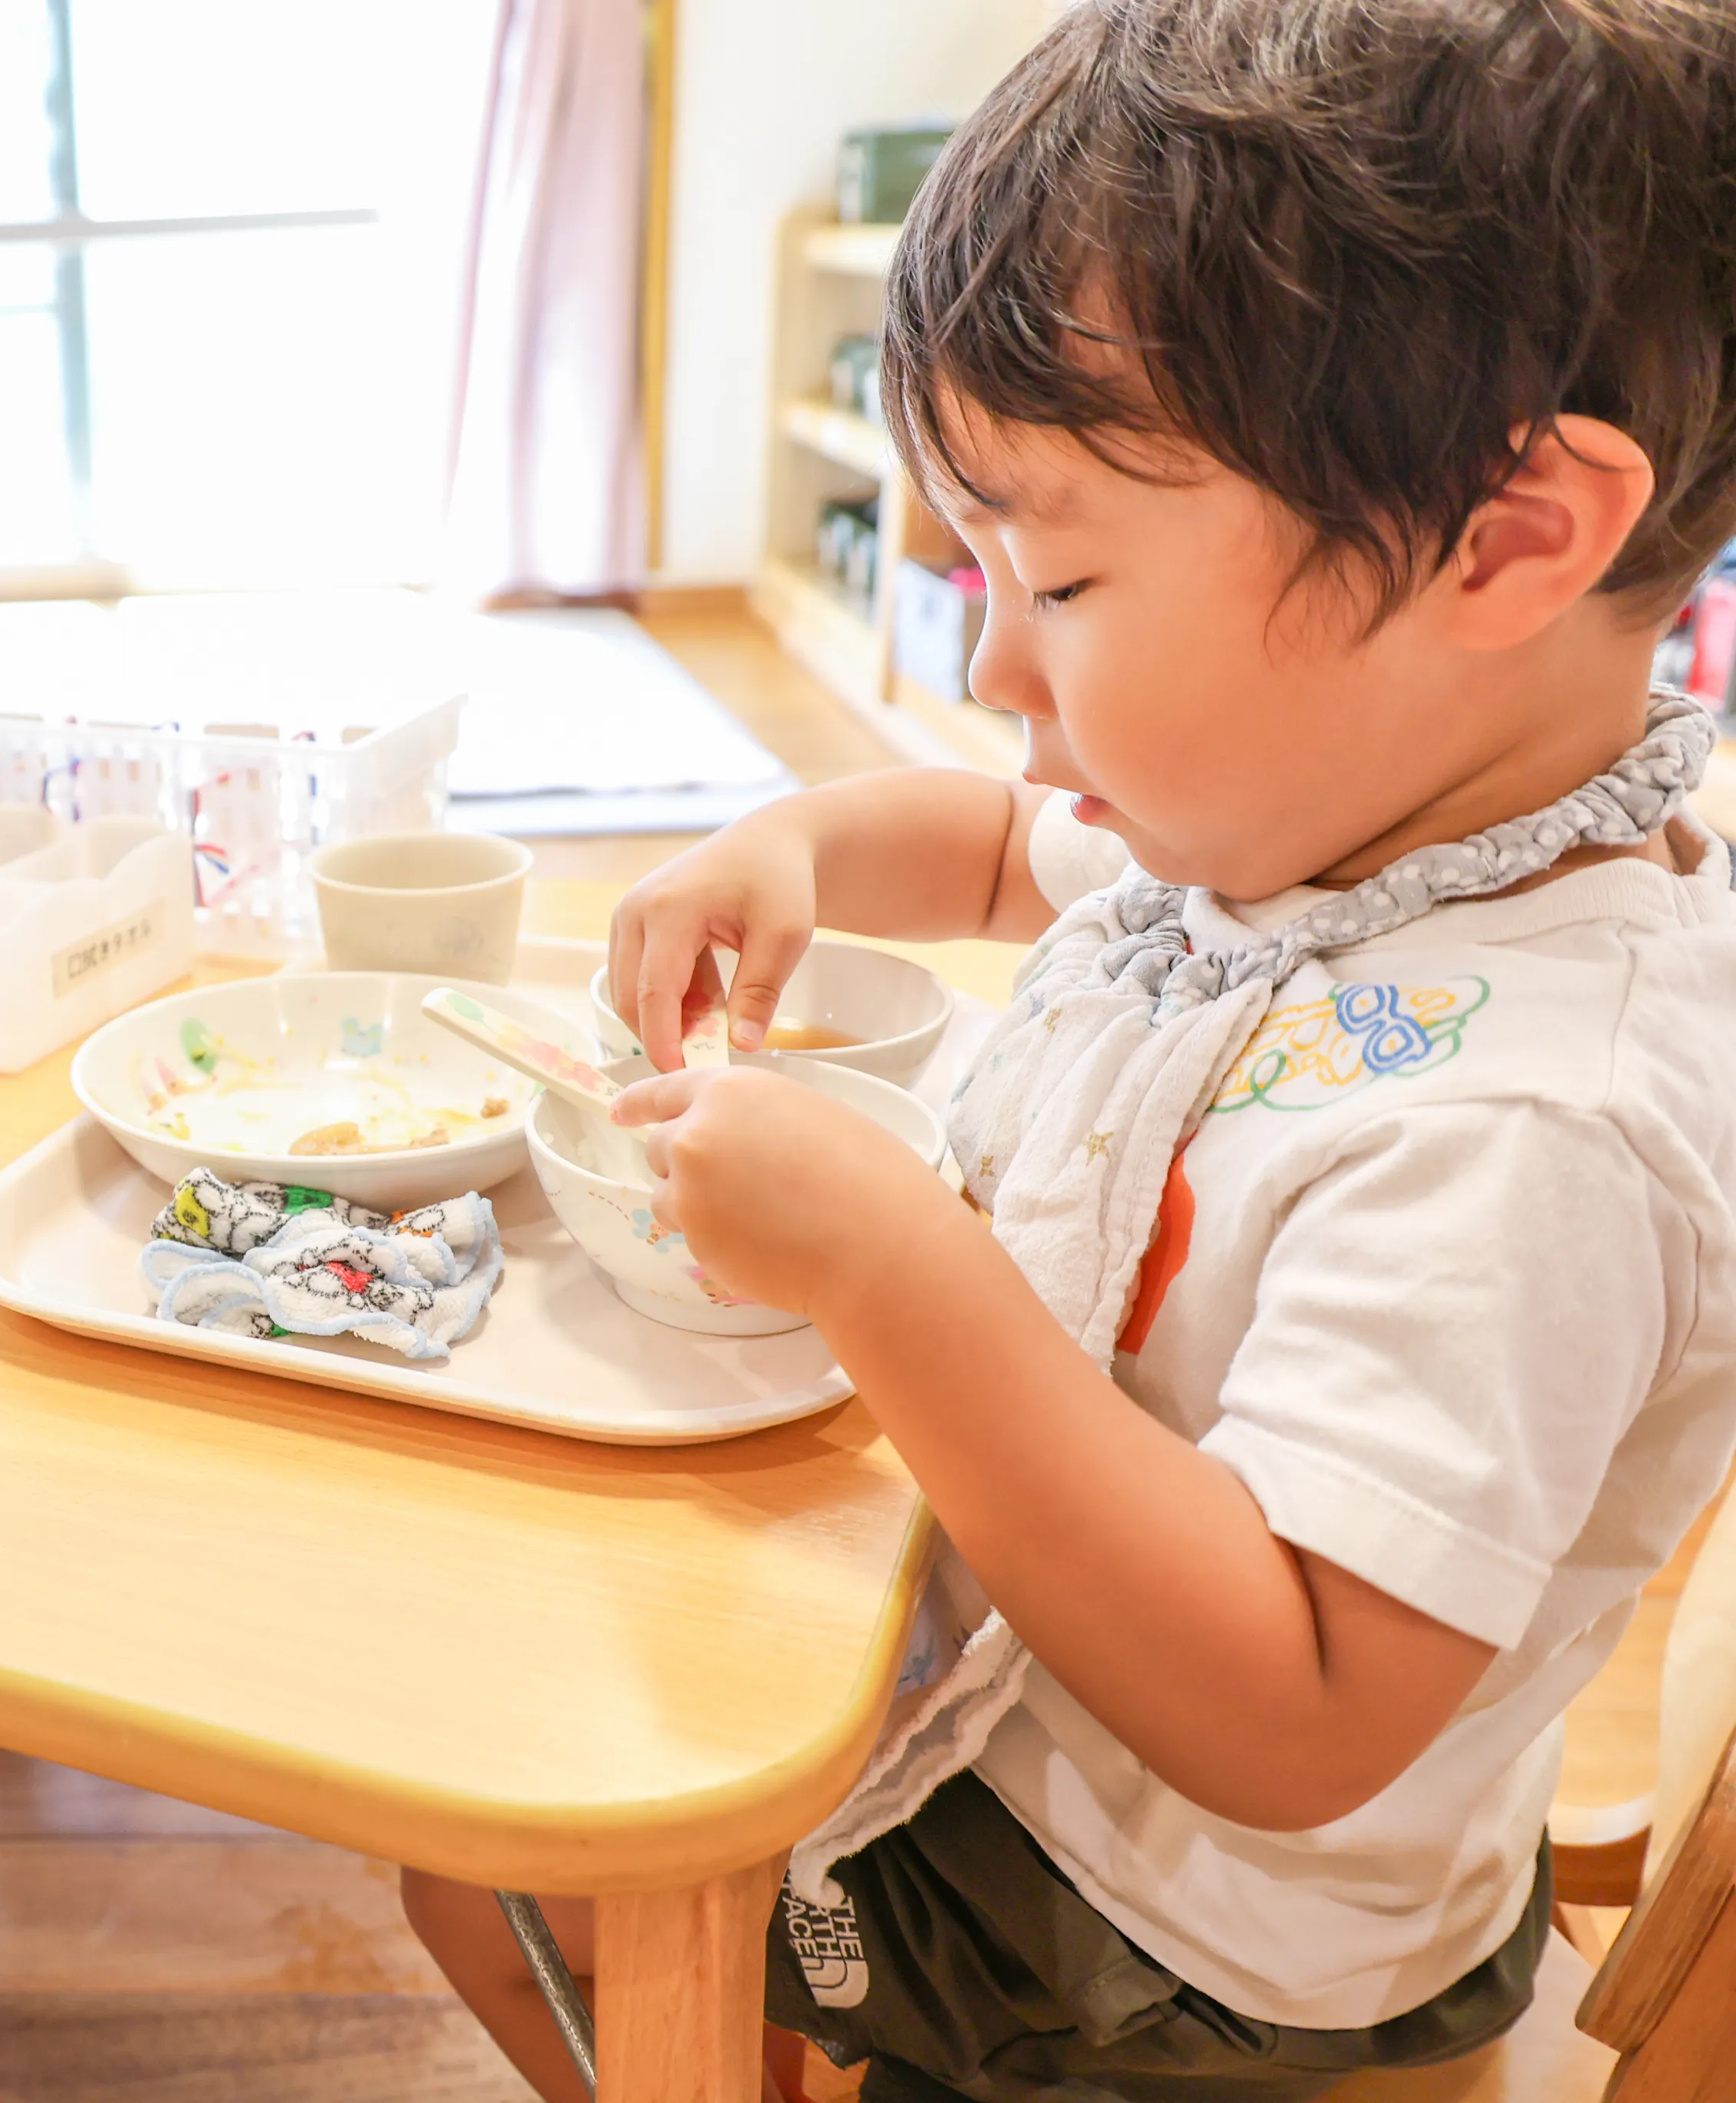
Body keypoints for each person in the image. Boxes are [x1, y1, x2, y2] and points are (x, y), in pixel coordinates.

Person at [402, 2, 1736, 2098]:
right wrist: (797, 843)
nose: (989, 655)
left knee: (503, 1859)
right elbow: (1032, 857)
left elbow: (1290, 1710)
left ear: (1509, 539)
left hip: (1170, 1948)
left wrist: (889, 1264)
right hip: (1040, 1709)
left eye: (1063, 574)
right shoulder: (1354, 812)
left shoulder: (1531, 1120)